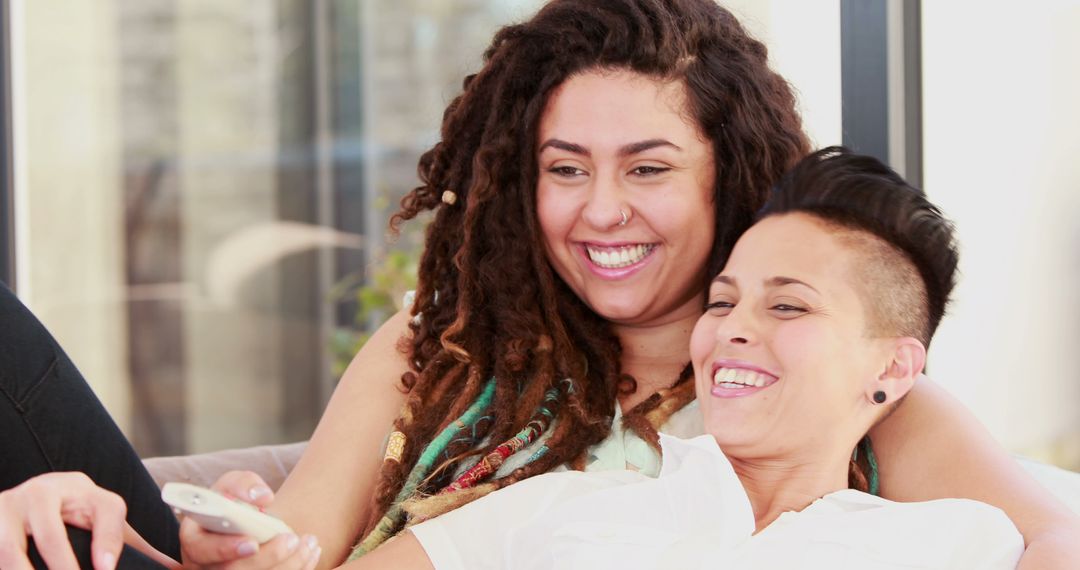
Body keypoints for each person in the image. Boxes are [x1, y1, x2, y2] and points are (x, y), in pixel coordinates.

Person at [1, 0, 1077, 569]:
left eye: (648, 169)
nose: (599, 211)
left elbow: (1055, 536)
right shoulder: (438, 349)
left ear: (730, 179)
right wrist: (225, 531)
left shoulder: (851, 398)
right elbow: (298, 551)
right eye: (566, 170)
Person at [348, 147, 1026, 569]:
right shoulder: (562, 508)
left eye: (788, 306)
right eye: (723, 302)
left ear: (893, 369)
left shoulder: (955, 545)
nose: (733, 329)